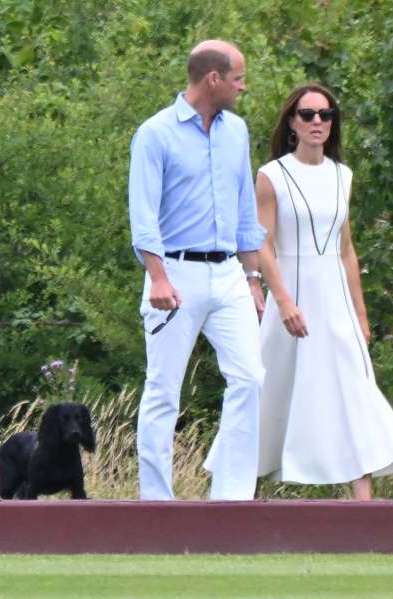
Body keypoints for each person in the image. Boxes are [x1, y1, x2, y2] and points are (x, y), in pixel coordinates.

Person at [253, 84, 393, 500]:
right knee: (270, 386)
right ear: (292, 121)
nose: (317, 123)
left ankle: (363, 501)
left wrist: (361, 316)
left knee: (351, 386)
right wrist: (283, 301)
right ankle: (238, 492)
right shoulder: (272, 176)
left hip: (336, 301)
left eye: (325, 115)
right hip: (291, 293)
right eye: (308, 115)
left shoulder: (342, 176)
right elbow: (263, 244)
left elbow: (346, 250)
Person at [128, 40, 266, 501]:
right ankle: (157, 503)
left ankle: (231, 500)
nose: (243, 86)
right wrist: (158, 277)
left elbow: (246, 209)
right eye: (238, 78)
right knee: (164, 389)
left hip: (229, 274)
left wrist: (253, 278)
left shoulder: (237, 131)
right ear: (214, 79)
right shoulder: (155, 133)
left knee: (251, 378)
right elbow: (143, 214)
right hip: (175, 274)